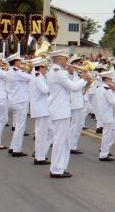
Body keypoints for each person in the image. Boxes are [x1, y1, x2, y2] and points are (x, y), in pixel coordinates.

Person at [47, 49, 89, 178]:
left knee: (64, 141)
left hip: (61, 109)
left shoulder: (57, 71)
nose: (66, 61)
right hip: (60, 110)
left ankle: (60, 167)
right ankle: (55, 169)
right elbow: (73, 87)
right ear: (59, 58)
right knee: (60, 141)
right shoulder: (57, 72)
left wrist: (72, 75)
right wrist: (84, 80)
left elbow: (67, 85)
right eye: (65, 59)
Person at [6, 53, 32, 157]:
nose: (21, 63)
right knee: (20, 127)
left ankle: (13, 147)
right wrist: (33, 69)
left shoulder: (10, 71)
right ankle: (16, 149)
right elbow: (30, 78)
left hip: (13, 100)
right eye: (19, 61)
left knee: (18, 126)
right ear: (16, 62)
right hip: (20, 101)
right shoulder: (17, 72)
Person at [30, 58, 52, 165]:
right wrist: (52, 86)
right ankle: (39, 157)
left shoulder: (39, 76)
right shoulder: (38, 77)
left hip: (43, 108)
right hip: (41, 108)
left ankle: (40, 153)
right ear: (41, 68)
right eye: (45, 67)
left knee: (49, 132)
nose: (47, 69)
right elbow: (44, 90)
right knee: (41, 133)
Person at [67, 56, 88, 155]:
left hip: (79, 102)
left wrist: (87, 82)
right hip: (74, 103)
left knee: (78, 125)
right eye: (77, 63)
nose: (80, 65)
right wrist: (83, 80)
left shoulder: (76, 74)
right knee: (74, 125)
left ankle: (73, 145)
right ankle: (71, 146)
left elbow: (81, 88)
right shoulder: (69, 75)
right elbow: (74, 87)